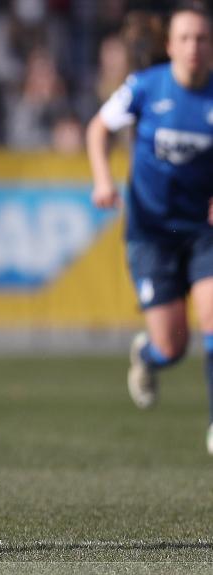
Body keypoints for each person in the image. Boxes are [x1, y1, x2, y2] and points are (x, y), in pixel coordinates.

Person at [86, 2, 213, 453]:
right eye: (185, 39)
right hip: (151, 233)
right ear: (169, 45)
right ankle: (147, 356)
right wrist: (103, 179)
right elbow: (98, 128)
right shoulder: (145, 87)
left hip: (203, 232)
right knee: (173, 347)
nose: (194, 47)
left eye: (202, 39)